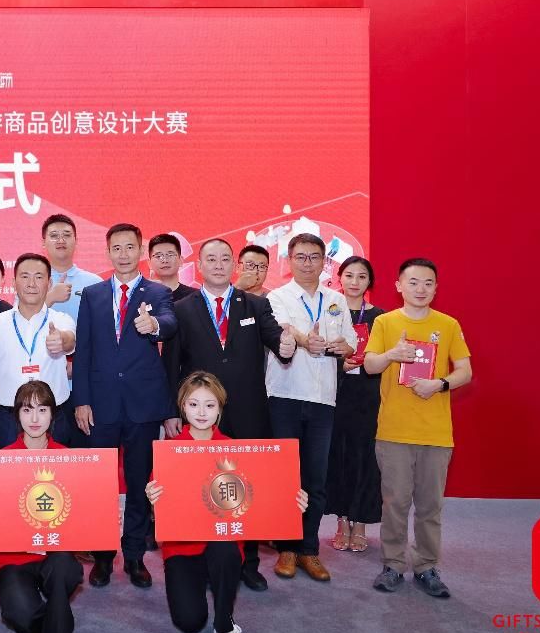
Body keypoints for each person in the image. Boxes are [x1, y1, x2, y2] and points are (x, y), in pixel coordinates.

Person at [161, 238, 296, 591]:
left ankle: (248, 563)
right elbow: (171, 364)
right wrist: (171, 412)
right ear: (199, 266)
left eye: (225, 259)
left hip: (249, 412)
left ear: (234, 265)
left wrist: (286, 345)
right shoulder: (182, 308)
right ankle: (204, 558)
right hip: (200, 416)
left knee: (246, 488)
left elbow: (277, 340)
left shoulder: (256, 304)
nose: (218, 265)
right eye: (211, 259)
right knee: (200, 485)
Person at [146, 372, 308, 633]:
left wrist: (291, 502)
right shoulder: (169, 451)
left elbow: (261, 496)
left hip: (222, 543)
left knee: (225, 551)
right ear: (183, 407)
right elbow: (162, 509)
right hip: (182, 548)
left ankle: (225, 624)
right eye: (193, 404)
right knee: (189, 622)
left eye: (209, 405)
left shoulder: (235, 449)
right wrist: (153, 498)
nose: (201, 412)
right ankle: (202, 584)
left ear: (220, 408)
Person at [72, 223, 177, 588]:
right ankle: (102, 556)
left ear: (140, 250)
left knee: (137, 482)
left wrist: (153, 325)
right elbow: (84, 349)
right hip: (101, 404)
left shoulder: (158, 292)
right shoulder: (93, 294)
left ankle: (134, 556)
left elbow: (169, 323)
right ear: (107, 252)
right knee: (100, 484)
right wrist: (82, 400)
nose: (123, 254)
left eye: (129, 247)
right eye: (116, 248)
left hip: (143, 405)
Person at [365, 258, 472, 598]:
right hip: (394, 431)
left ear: (436, 288)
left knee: (430, 506)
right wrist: (392, 355)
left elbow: (465, 371)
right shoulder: (384, 322)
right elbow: (369, 365)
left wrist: (439, 384)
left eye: (428, 283)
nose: (420, 289)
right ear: (399, 286)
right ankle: (393, 565)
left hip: (436, 433)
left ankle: (426, 566)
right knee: (394, 503)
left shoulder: (448, 324)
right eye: (413, 282)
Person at [0, 381, 84, 633]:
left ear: (53, 414)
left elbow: (81, 514)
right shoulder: (1, 461)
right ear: (16, 414)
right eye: (27, 410)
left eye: (42, 410)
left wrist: (102, 519)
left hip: (55, 553)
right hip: (15, 557)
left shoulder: (68, 459)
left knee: (65, 569)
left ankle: (57, 616)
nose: (34, 419)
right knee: (18, 615)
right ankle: (56, 613)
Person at [265, 233, 357, 582]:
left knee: (316, 478)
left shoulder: (336, 299)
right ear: (289, 261)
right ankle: (287, 548)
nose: (307, 263)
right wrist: (307, 341)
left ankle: (308, 549)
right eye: (300, 257)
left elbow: (350, 343)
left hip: (323, 399)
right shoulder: (277, 297)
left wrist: (342, 347)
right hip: (284, 395)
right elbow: (284, 329)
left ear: (324, 262)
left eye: (314, 257)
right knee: (286, 477)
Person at [0, 254, 77, 449]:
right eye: (25, 276)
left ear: (49, 283)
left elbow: (69, 340)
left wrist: (61, 340)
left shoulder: (62, 319)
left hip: (54, 417)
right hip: (8, 418)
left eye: (38, 277)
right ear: (14, 283)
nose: (31, 284)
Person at [325, 256, 384, 554]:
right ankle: (341, 521)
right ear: (339, 278)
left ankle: (360, 522)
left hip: (368, 395)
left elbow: (385, 358)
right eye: (349, 275)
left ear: (369, 281)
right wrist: (340, 364)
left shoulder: (380, 317)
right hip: (334, 393)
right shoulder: (329, 311)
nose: (355, 282)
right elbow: (316, 352)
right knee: (338, 457)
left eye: (362, 276)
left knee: (365, 459)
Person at [40, 214, 102, 325]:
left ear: (76, 241)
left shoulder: (95, 283)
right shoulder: (31, 282)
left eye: (67, 235)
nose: (61, 240)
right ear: (43, 242)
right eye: (54, 235)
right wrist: (50, 297)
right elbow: (21, 320)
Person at [148, 233, 199, 302]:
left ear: (181, 260)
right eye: (158, 256)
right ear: (149, 263)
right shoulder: (140, 296)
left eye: (170, 255)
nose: (165, 260)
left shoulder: (196, 297)